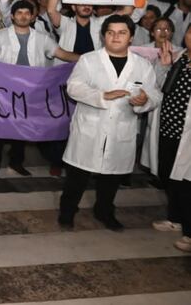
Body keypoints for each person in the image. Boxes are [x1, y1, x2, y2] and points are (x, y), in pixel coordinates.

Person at [58, 15, 160, 231]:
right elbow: (73, 87)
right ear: (103, 36)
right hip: (90, 128)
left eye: (122, 32)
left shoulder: (142, 65)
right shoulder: (88, 60)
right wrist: (102, 95)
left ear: (131, 37)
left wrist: (145, 100)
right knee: (77, 177)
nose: (116, 37)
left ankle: (104, 211)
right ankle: (67, 212)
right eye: (110, 32)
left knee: (112, 177)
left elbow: (155, 94)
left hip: (121, 129)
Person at [0, 0, 79, 177]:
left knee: (22, 128)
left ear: (33, 16)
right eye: (19, 13)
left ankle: (16, 162)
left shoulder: (42, 38)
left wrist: (86, 59)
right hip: (5, 91)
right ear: (12, 16)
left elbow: (62, 54)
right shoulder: (0, 36)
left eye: (27, 13)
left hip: (30, 92)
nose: (23, 16)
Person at [144, 26, 191, 252]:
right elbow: (161, 87)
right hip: (169, 128)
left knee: (187, 181)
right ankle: (176, 218)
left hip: (188, 133)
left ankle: (189, 232)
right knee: (168, 174)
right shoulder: (178, 57)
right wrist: (163, 66)